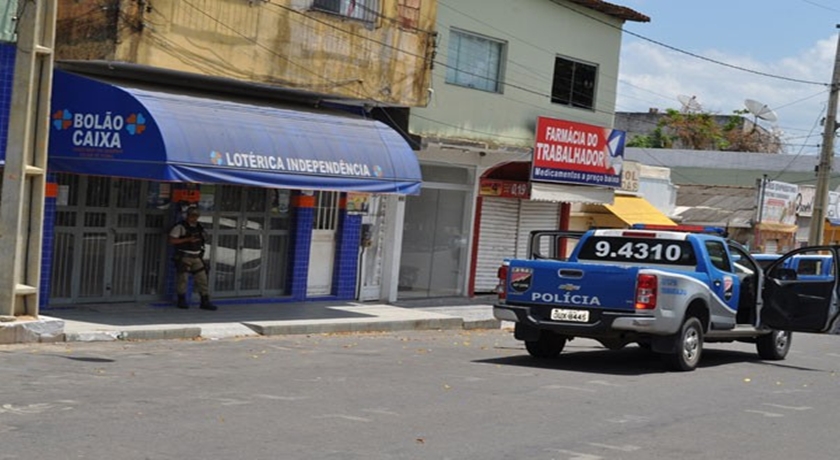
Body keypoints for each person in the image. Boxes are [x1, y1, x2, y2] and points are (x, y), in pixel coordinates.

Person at [168, 206, 217, 310]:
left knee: (202, 279)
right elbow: (172, 240)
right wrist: (187, 240)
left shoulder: (199, 226)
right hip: (184, 256)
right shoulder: (180, 227)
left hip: (196, 256)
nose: (194, 218)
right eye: (192, 216)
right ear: (188, 216)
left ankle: (205, 301)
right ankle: (181, 300)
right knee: (183, 279)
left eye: (196, 216)